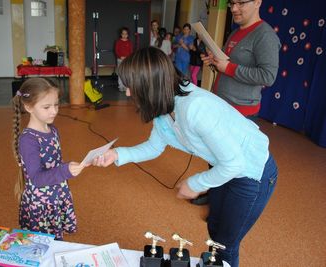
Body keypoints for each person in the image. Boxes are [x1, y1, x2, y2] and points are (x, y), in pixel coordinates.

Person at [92, 47, 278, 267]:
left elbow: (235, 163)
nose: (129, 93)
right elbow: (154, 147)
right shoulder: (165, 107)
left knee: (225, 246)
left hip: (252, 173)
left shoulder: (194, 108)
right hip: (225, 169)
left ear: (149, 85)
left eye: (132, 86)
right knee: (215, 229)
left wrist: (195, 183)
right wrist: (116, 154)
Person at [12, 78, 85, 240]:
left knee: (56, 238)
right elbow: (37, 178)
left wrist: (66, 170)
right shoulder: (28, 140)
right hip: (41, 202)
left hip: (56, 193)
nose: (54, 111)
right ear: (29, 107)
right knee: (43, 241)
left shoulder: (53, 130)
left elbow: (54, 163)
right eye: (46, 107)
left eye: (56, 105)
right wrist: (65, 170)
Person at [201, 0, 280, 120]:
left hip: (240, 113)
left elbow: (268, 76)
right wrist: (215, 61)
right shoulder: (235, 32)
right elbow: (229, 63)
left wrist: (228, 68)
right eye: (232, 3)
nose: (234, 9)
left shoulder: (265, 35)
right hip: (221, 104)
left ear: (257, 3)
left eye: (241, 3)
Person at [115, 27, 134, 91]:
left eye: (126, 34)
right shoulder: (118, 42)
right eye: (123, 34)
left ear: (128, 35)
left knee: (126, 73)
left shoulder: (129, 42)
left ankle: (126, 86)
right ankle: (121, 86)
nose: (124, 35)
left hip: (127, 60)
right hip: (120, 60)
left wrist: (128, 57)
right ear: (121, 34)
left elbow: (131, 51)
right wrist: (120, 56)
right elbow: (116, 51)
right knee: (120, 73)